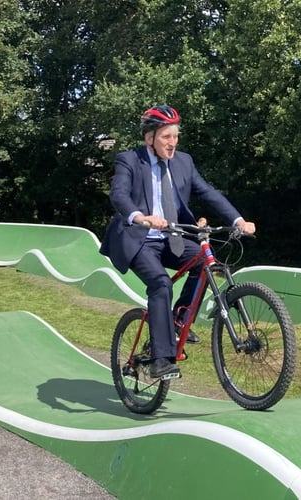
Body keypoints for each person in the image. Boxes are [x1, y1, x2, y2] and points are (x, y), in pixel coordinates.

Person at [99, 105, 256, 379]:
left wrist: (238, 220)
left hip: (172, 237)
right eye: (165, 137)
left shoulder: (183, 161)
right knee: (160, 284)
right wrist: (140, 217)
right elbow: (119, 195)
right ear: (150, 138)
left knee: (205, 263)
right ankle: (161, 360)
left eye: (175, 136)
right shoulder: (130, 160)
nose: (172, 143)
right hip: (139, 240)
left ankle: (179, 319)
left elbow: (207, 192)